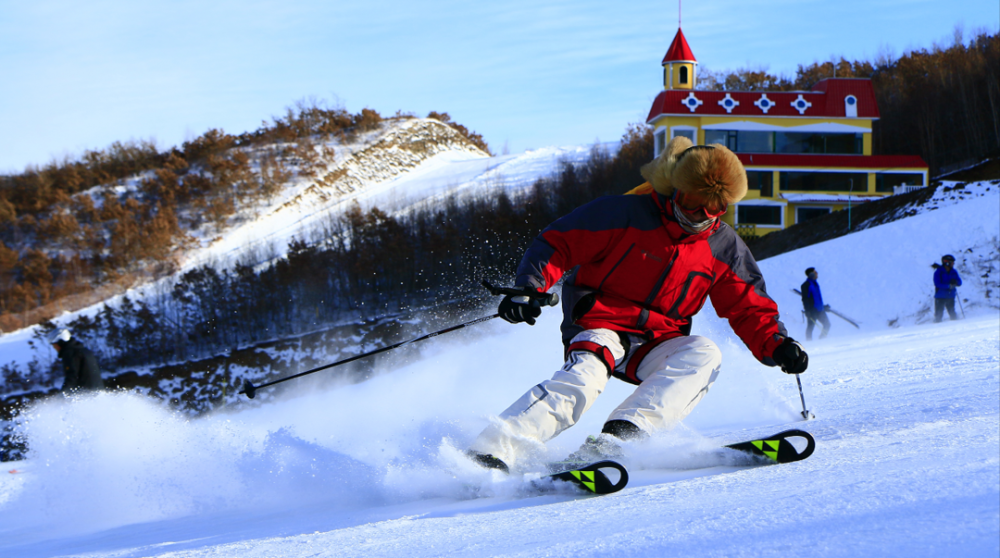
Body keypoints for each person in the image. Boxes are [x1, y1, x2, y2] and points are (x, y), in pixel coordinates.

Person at [467, 137, 808, 472]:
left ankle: (623, 438)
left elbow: (748, 304)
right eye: (691, 203)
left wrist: (776, 344)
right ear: (675, 189)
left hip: (657, 341)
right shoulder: (625, 213)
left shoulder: (724, 247)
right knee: (585, 381)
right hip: (600, 325)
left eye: (714, 207)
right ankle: (490, 453)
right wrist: (528, 287)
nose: (700, 216)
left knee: (704, 354)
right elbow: (558, 243)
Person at [47, 328, 105, 392]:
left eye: (55, 345)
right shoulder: (84, 350)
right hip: (99, 391)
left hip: (86, 394)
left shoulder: (70, 353)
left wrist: (62, 396)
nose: (54, 348)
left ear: (61, 342)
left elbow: (72, 377)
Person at [800, 268, 831, 341]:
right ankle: (809, 342)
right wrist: (807, 310)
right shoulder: (806, 285)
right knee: (810, 327)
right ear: (811, 274)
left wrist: (823, 306)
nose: (817, 273)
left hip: (820, 309)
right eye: (815, 272)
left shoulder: (815, 283)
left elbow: (817, 298)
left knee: (827, 324)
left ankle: (822, 339)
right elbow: (805, 299)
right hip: (812, 310)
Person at [933, 254, 962, 322]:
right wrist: (948, 286)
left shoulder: (954, 271)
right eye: (952, 262)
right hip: (940, 296)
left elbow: (960, 282)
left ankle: (956, 328)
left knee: (953, 314)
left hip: (950, 296)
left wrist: (955, 282)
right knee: (938, 315)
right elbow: (937, 284)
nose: (953, 264)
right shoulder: (938, 272)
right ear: (947, 262)